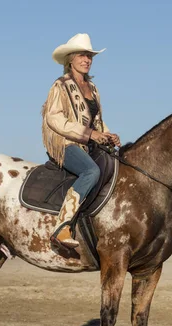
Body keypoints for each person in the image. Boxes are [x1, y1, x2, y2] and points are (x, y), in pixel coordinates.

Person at [42, 33, 121, 250]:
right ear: (70, 60)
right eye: (82, 56)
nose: (87, 60)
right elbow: (54, 118)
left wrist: (107, 134)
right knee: (91, 172)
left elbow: (96, 121)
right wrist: (89, 134)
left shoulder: (92, 88)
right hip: (66, 143)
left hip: (88, 144)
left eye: (90, 56)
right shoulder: (61, 85)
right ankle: (62, 226)